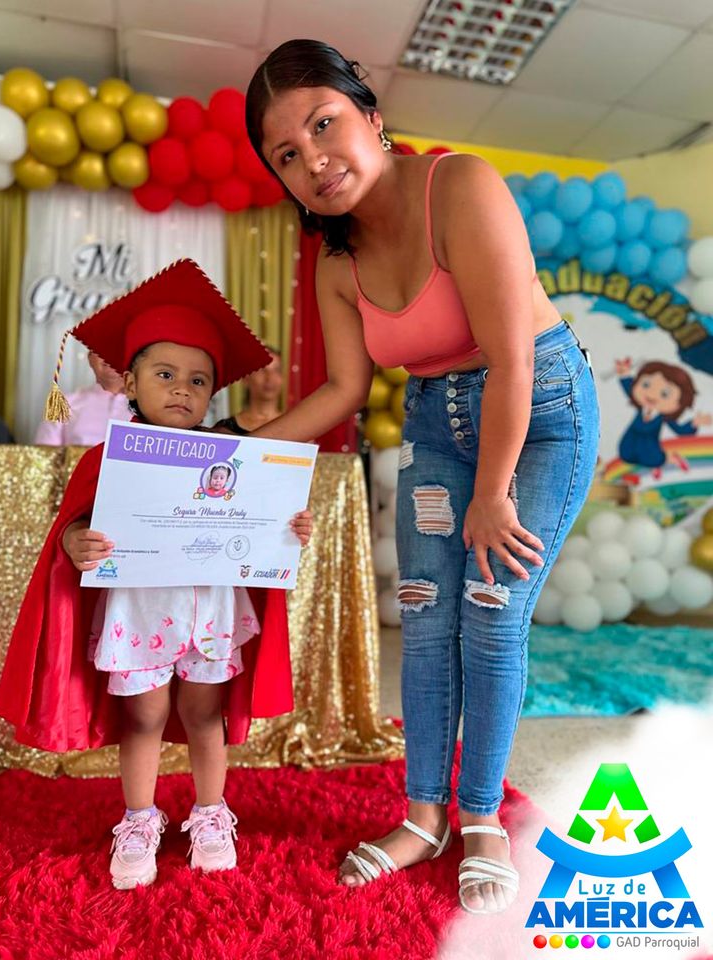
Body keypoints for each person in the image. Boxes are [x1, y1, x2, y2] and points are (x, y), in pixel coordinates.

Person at [243, 40, 600, 914]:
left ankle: (480, 816)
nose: (312, 159)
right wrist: (236, 454)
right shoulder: (335, 261)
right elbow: (343, 390)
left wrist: (493, 494)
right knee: (426, 617)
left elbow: (513, 359)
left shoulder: (460, 184)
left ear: (371, 116)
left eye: (323, 124)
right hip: (436, 420)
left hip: (540, 410)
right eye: (286, 154)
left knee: (492, 612)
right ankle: (424, 816)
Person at [0, 259, 313, 890]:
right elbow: (72, 526)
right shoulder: (108, 457)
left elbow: (262, 523)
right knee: (142, 718)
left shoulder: (236, 457)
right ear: (131, 384)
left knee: (204, 715)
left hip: (210, 612)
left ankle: (211, 814)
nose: (181, 389)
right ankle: (138, 820)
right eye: (164, 374)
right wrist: (74, 541)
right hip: (138, 614)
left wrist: (288, 529)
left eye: (198, 380)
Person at [34, 350, 130, 446]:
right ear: (90, 358)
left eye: (119, 348)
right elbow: (44, 452)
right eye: (102, 347)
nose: (111, 356)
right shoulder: (62, 404)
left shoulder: (139, 405)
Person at [215, 347, 284, 435]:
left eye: (277, 370)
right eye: (262, 370)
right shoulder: (225, 429)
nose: (270, 378)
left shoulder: (294, 426)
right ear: (246, 378)